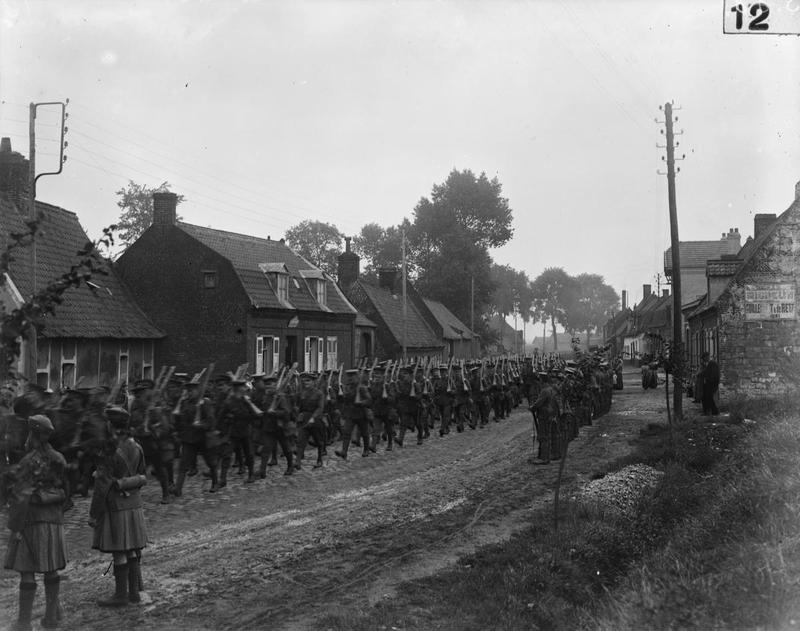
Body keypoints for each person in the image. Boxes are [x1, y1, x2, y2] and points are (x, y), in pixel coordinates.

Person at [3, 414, 68, 630]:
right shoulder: (59, 458)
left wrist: (15, 528)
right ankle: (51, 617)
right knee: (51, 569)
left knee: (27, 570)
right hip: (54, 519)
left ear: (33, 434)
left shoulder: (28, 461)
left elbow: (21, 498)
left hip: (31, 521)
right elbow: (66, 491)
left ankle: (23, 622)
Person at [91, 406, 148, 608]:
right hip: (135, 505)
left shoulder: (108, 450)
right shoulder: (137, 446)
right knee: (132, 549)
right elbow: (142, 476)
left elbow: (101, 486)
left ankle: (120, 595)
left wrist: (94, 514)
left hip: (116, 505)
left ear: (110, 425)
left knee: (119, 550)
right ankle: (134, 593)